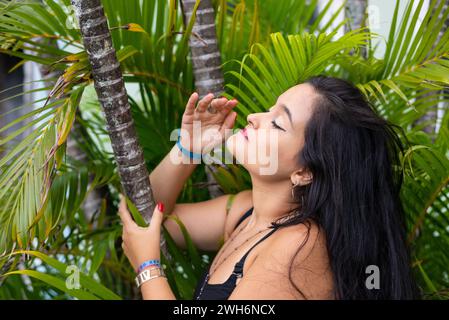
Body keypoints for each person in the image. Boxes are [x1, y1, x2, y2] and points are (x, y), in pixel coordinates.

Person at [118, 76, 420, 300]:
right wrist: (188, 149)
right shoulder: (245, 213)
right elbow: (149, 217)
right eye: (269, 110)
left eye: (277, 123)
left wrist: (148, 269)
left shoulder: (299, 249)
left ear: (304, 172)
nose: (253, 118)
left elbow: (147, 236)